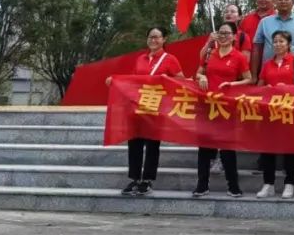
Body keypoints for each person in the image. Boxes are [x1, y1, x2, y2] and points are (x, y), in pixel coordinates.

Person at [106, 27, 184, 196]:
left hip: (156, 108)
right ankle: (134, 178)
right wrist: (115, 80)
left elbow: (181, 81)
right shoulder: (140, 59)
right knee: (134, 143)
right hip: (138, 107)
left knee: (152, 145)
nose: (153, 40)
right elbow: (132, 81)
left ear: (164, 39)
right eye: (150, 37)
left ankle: (147, 180)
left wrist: (167, 80)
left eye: (156, 37)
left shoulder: (170, 59)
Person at [192, 23, 251, 197]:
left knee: (227, 148)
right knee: (204, 147)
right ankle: (202, 185)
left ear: (234, 36)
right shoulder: (210, 53)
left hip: (227, 106)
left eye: (227, 33)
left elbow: (248, 79)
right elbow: (198, 72)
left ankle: (233, 185)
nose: (223, 36)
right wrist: (201, 76)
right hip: (207, 104)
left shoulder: (238, 57)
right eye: (221, 33)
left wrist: (231, 84)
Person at [255, 30, 294, 198]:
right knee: (268, 148)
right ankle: (268, 183)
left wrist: (288, 88)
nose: (278, 44)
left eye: (281, 41)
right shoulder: (267, 64)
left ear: (289, 44)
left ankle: (289, 183)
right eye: (275, 41)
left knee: (289, 148)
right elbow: (259, 86)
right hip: (270, 110)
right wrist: (266, 89)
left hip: (289, 109)